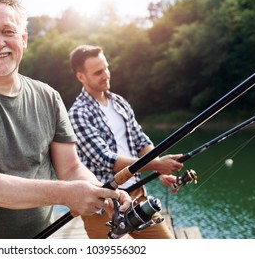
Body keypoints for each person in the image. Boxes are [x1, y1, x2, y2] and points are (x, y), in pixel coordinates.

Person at [0, 0, 131, 239]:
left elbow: (70, 168)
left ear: (23, 38)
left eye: (8, 31)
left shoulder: (49, 97)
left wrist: (101, 191)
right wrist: (67, 194)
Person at [68, 45, 184, 239]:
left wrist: (159, 170)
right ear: (81, 77)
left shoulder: (120, 103)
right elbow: (106, 159)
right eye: (98, 72)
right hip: (102, 202)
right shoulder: (78, 114)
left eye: (106, 68)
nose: (106, 75)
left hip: (136, 195)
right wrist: (156, 165)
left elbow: (140, 141)